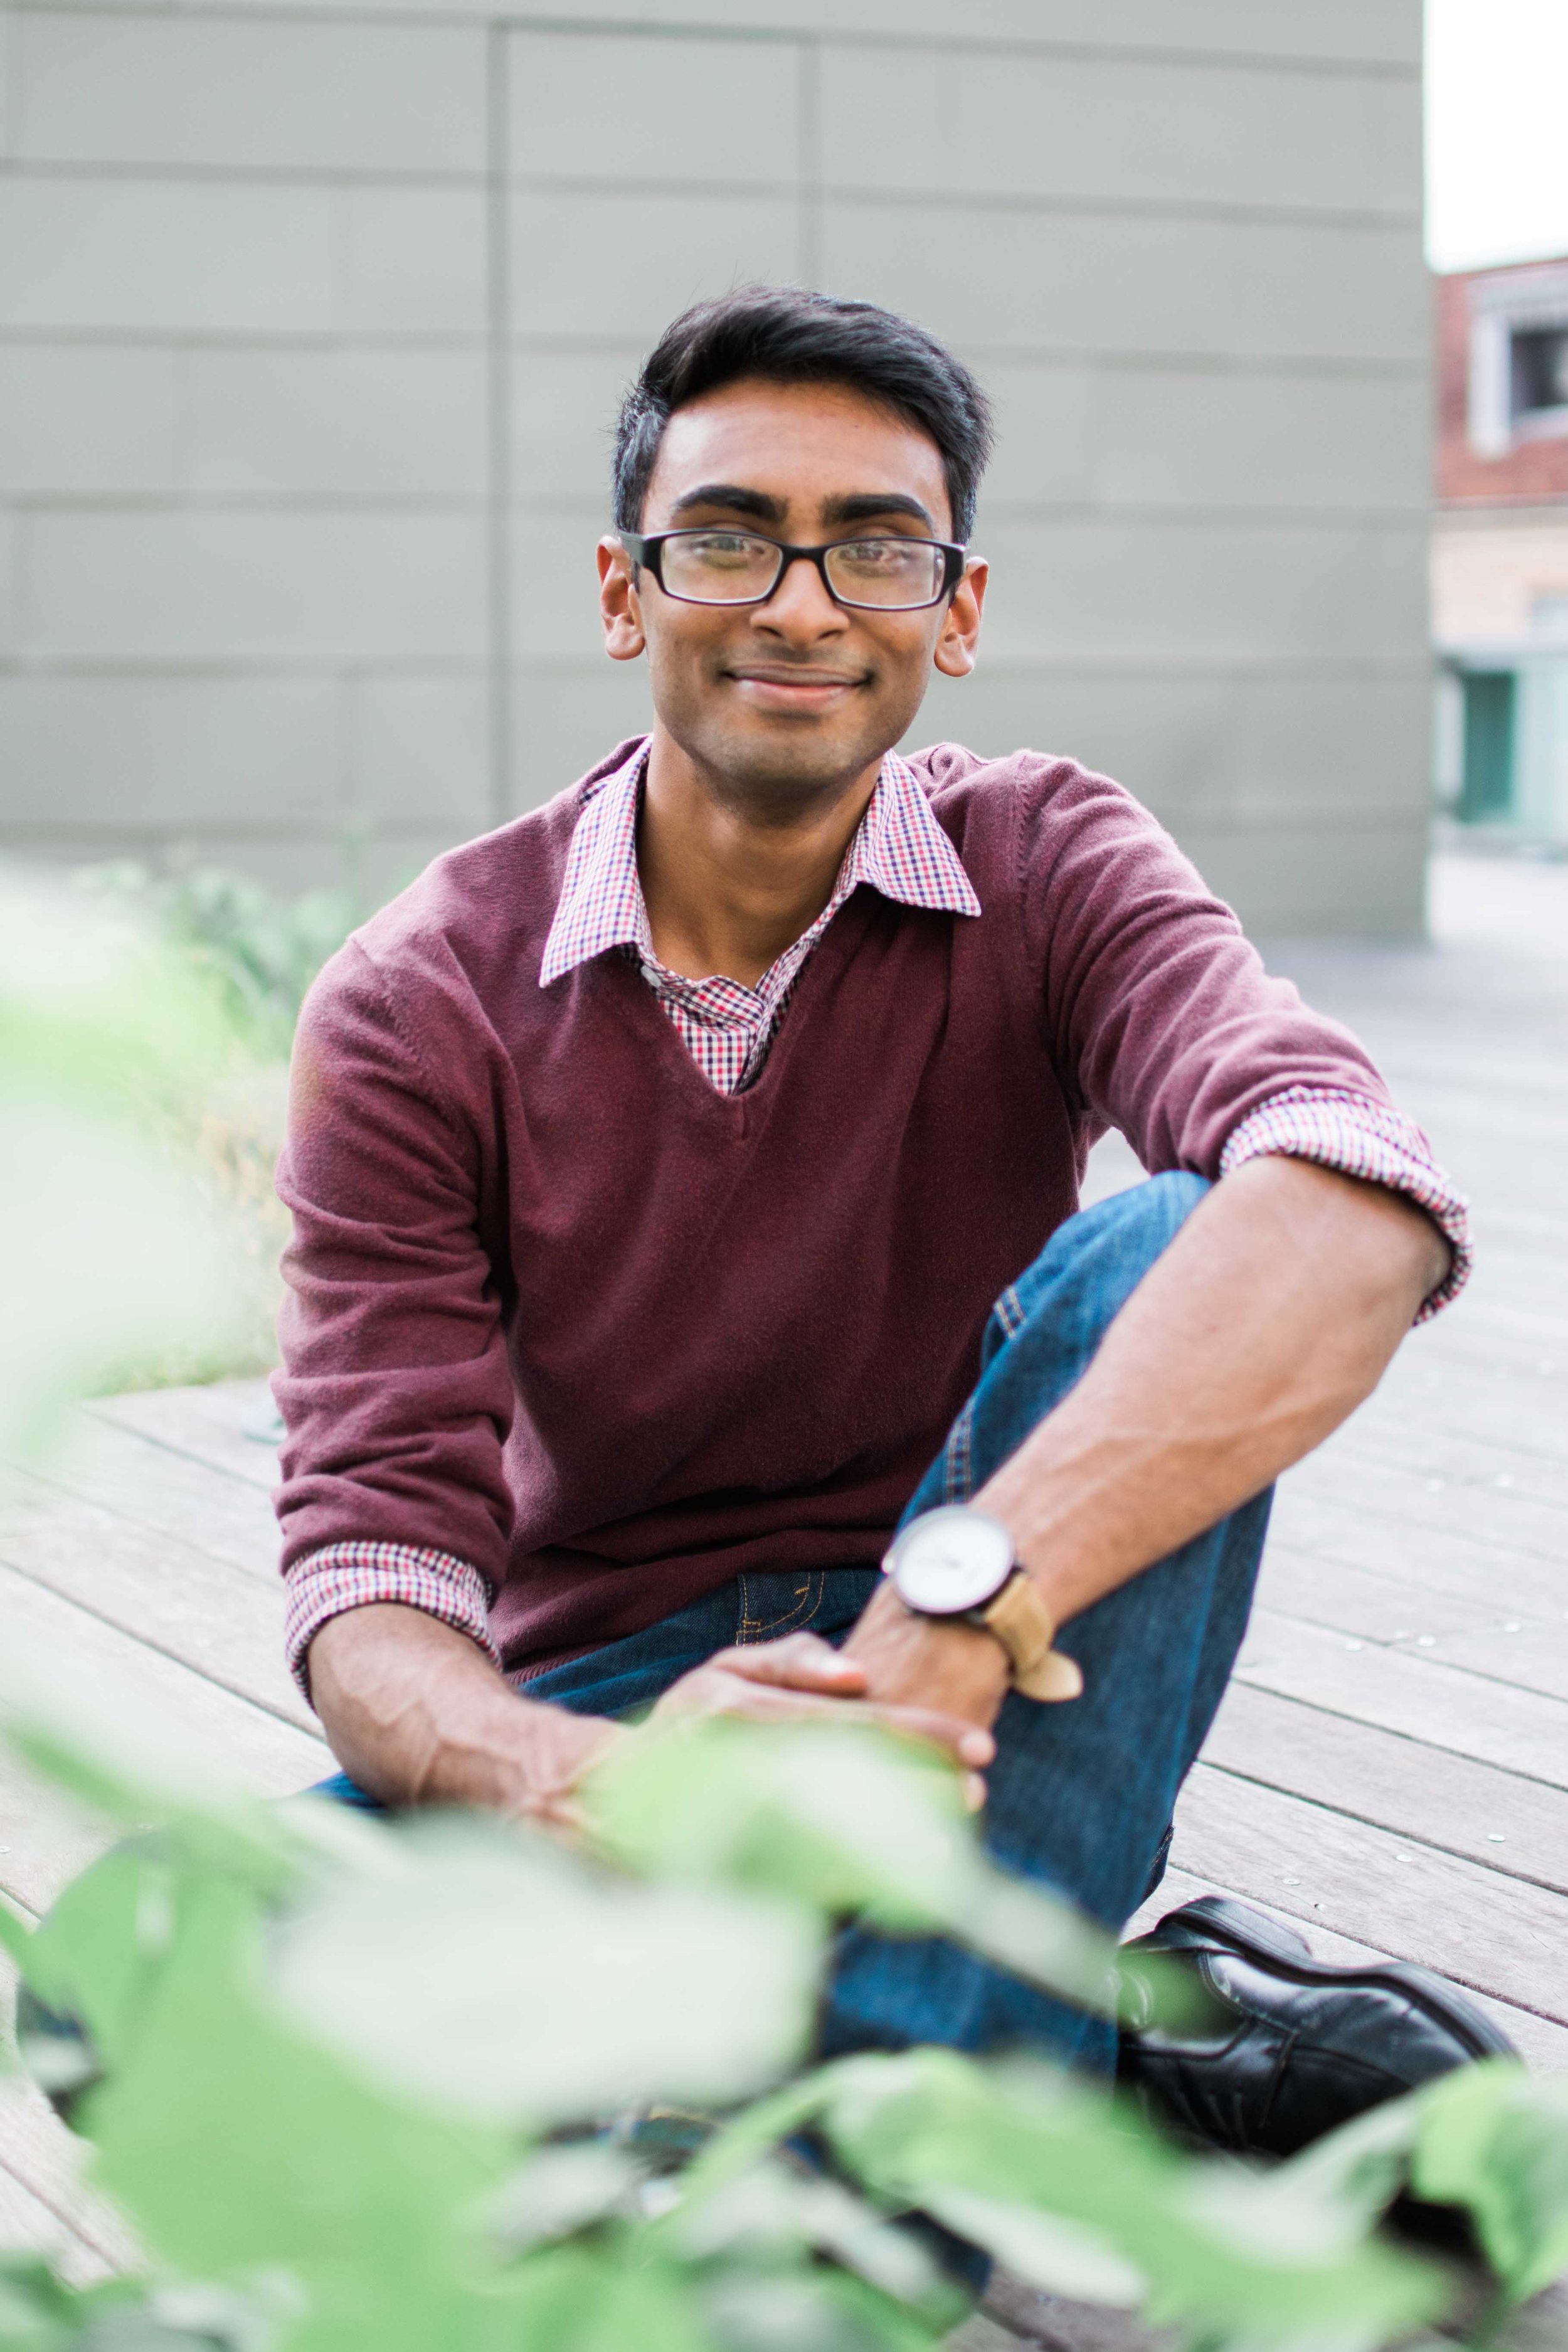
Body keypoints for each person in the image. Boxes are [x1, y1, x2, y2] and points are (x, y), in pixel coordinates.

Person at [273, 286, 1506, 2147]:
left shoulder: (1050, 857)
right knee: (144, 1983)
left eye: (874, 548)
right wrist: (579, 1786)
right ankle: (1113, 2043)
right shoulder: (415, 998)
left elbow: (1352, 1196)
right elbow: (374, 1563)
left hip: (998, 1654)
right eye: (726, 539)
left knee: (1189, 1235)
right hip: (627, 1691)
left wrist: (954, 1614)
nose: (799, 602)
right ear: (624, 593)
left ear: (957, 609)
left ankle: (872, 2162)